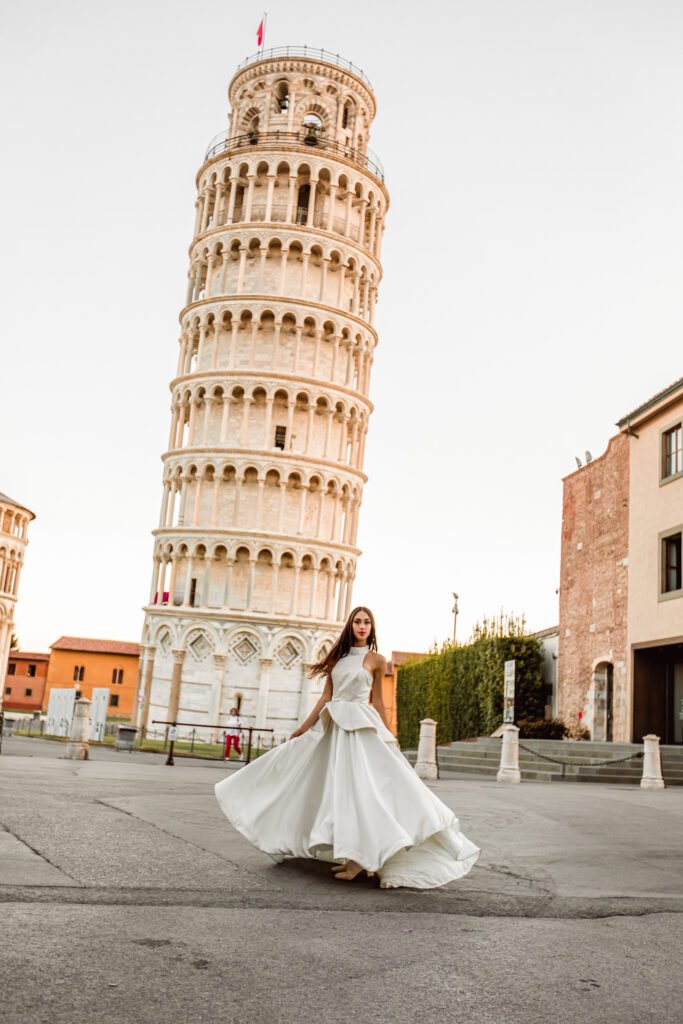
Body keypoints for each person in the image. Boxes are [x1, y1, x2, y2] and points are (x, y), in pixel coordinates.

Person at [214, 607, 480, 889]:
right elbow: (326, 697)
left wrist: (389, 733)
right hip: (334, 727)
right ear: (350, 626)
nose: (362, 626)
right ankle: (352, 855)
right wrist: (303, 727)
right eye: (357, 621)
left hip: (361, 728)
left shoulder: (377, 660)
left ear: (371, 627)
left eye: (367, 622)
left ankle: (360, 859)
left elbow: (378, 701)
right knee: (329, 790)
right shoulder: (337, 659)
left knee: (361, 792)